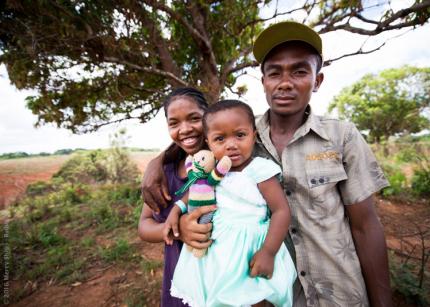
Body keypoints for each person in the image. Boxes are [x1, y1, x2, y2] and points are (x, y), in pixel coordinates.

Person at [142, 21, 392, 307]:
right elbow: (197, 141)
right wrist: (157, 162)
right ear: (263, 82)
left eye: (300, 71)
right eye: (274, 72)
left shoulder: (341, 136)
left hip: (339, 292)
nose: (285, 82)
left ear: (318, 80)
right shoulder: (240, 135)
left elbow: (366, 226)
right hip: (272, 292)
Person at [166, 100, 296, 307]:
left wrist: (268, 251)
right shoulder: (213, 170)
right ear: (208, 143)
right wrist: (177, 209)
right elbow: (195, 192)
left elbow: (281, 211)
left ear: (254, 135)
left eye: (240, 135)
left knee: (253, 297)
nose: (231, 144)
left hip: (250, 245)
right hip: (218, 248)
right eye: (220, 138)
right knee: (218, 296)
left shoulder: (259, 170)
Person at [138, 87, 210, 307]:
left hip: (220, 280)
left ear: (209, 117)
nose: (185, 129)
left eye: (194, 118)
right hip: (179, 279)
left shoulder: (226, 164)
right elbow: (144, 225)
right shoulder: (165, 173)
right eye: (174, 123)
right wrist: (177, 231)